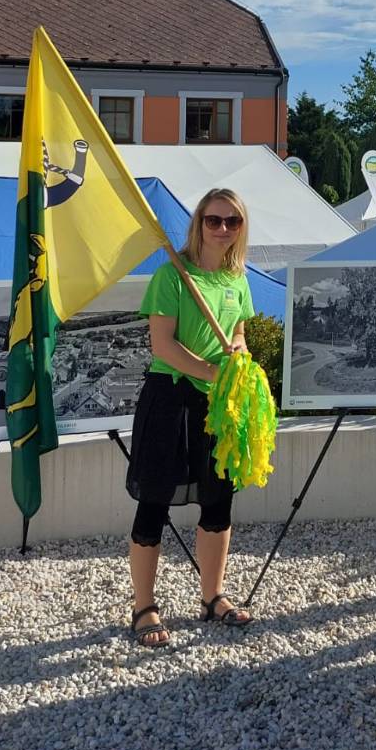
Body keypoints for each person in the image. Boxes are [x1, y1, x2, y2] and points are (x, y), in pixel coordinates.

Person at [126, 188, 256, 647]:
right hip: (170, 398)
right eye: (214, 220)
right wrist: (212, 372)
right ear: (198, 222)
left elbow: (239, 334)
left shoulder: (238, 280)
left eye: (233, 221)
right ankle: (144, 607)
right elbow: (162, 345)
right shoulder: (172, 275)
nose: (223, 228)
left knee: (219, 500)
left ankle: (212, 596)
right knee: (154, 501)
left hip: (218, 405)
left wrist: (237, 356)